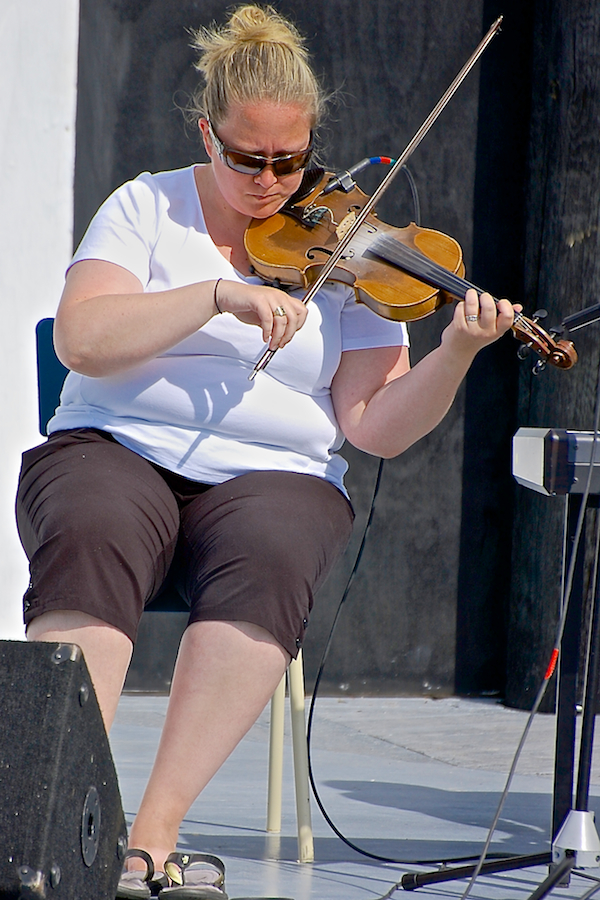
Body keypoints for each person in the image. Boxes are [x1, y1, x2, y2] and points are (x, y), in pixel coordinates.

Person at [16, 5, 517, 898]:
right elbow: (82, 341)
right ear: (207, 133)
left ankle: (150, 840)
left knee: (279, 549)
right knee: (90, 526)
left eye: (290, 160)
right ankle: (56, 826)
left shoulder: (353, 242)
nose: (271, 182)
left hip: (273, 474)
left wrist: (455, 354)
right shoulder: (146, 204)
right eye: (247, 159)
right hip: (119, 442)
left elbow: (374, 426)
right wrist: (216, 295)